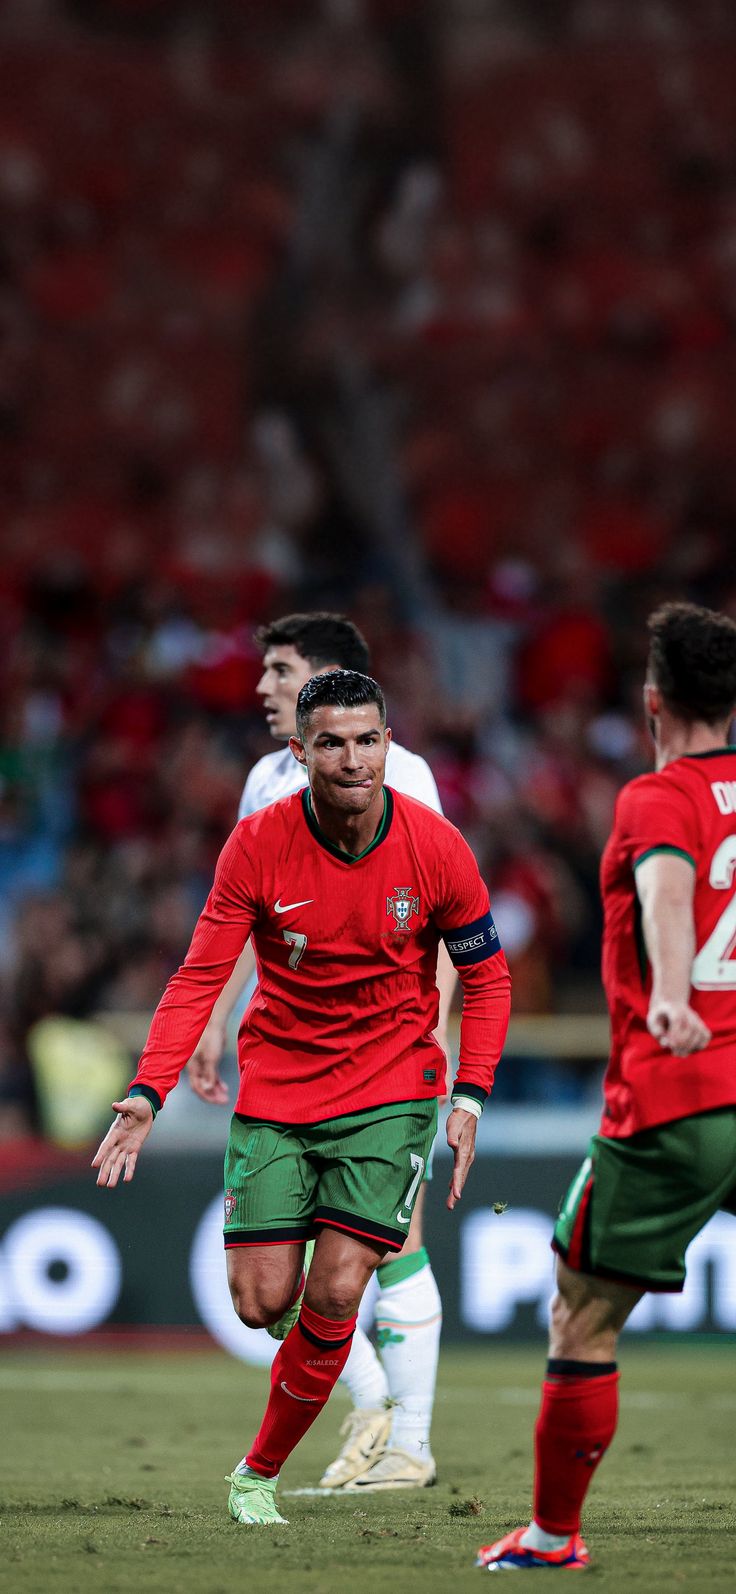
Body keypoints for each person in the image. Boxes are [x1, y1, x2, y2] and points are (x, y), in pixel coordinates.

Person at [93, 669, 511, 1527]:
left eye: (368, 740)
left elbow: (489, 976)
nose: (353, 758)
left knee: (338, 1288)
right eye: (332, 742)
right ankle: (352, 1399)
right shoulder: (257, 844)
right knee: (260, 1300)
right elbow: (200, 975)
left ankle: (259, 1472)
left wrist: (468, 1094)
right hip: (280, 1084)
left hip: (395, 1090)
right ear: (301, 751)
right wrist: (147, 1091)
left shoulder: (437, 847)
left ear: (389, 744)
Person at [477, 600, 736, 1571]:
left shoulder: (653, 797)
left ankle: (550, 1537)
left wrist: (673, 992)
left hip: (679, 1094)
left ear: (652, 696)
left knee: (580, 1309)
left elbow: (668, 886)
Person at [187, 612, 458, 1491]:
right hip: (291, 1061)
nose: (262, 687)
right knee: (281, 1284)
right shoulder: (266, 779)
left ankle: (406, 1439)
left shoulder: (398, 772)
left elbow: (441, 914)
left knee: (395, 1243)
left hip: (384, 1053)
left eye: (280, 669)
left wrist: (432, 1045)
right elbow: (244, 924)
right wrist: (215, 1023)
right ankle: (375, 1408)